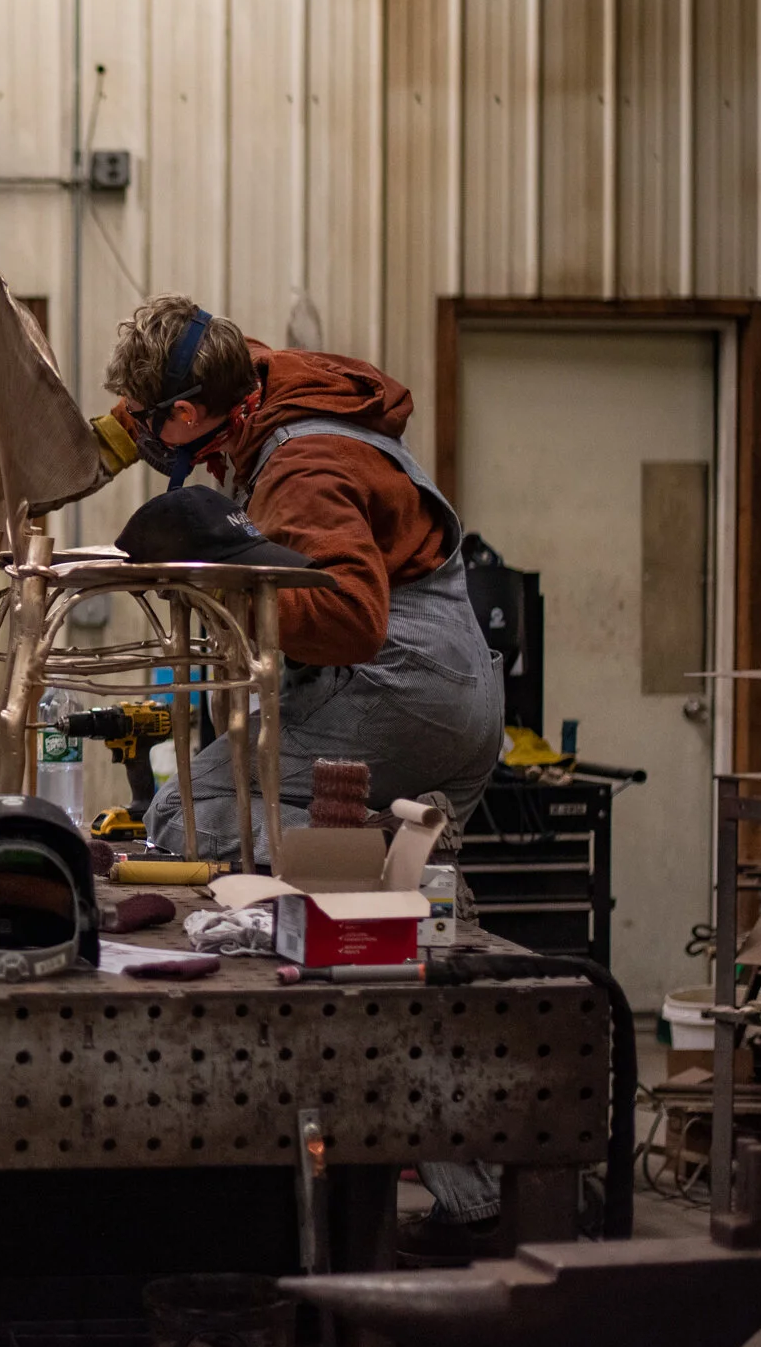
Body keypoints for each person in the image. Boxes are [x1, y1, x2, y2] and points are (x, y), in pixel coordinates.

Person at [79, 295, 509, 1254]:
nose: (138, 432)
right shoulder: (265, 381)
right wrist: (105, 438)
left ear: (191, 412)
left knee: (197, 817)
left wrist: (210, 586)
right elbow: (186, 384)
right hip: (451, 681)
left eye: (148, 419)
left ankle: (390, 899)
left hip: (397, 677)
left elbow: (350, 616)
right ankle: (474, 1199)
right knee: (388, 942)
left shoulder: (302, 466)